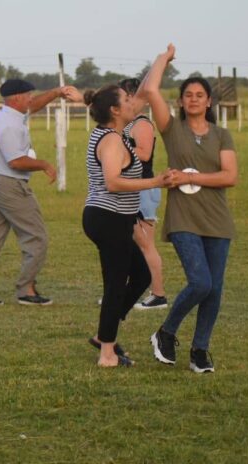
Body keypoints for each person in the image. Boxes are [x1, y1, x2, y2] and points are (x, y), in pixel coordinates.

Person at [145, 45, 237, 373]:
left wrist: (185, 175)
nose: (194, 99)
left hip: (218, 221)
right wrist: (163, 60)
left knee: (214, 289)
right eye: (188, 94)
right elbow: (151, 90)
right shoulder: (172, 130)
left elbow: (230, 176)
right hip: (184, 219)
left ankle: (200, 351)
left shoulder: (222, 135)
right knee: (200, 282)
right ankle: (166, 332)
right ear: (181, 101)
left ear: (209, 101)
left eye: (200, 94)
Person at [0, 79, 81, 307]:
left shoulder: (5, 114)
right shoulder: (10, 126)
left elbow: (33, 106)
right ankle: (26, 290)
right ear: (17, 97)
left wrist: (57, 92)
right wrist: (44, 165)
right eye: (28, 94)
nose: (32, 97)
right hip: (10, 186)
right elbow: (16, 161)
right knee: (37, 238)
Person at [82, 83, 167, 367]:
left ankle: (104, 334)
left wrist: (163, 59)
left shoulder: (115, 134)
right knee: (116, 285)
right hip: (106, 219)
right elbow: (113, 182)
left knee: (141, 275)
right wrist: (155, 182)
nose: (134, 102)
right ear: (116, 110)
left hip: (115, 218)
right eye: (127, 100)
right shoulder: (111, 141)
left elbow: (146, 90)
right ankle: (107, 353)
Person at [118, 78, 169, 310]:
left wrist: (117, 152)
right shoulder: (127, 124)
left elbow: (145, 154)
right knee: (130, 245)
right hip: (132, 189)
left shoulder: (142, 124)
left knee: (145, 244)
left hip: (143, 189)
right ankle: (124, 291)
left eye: (122, 96)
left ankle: (158, 294)